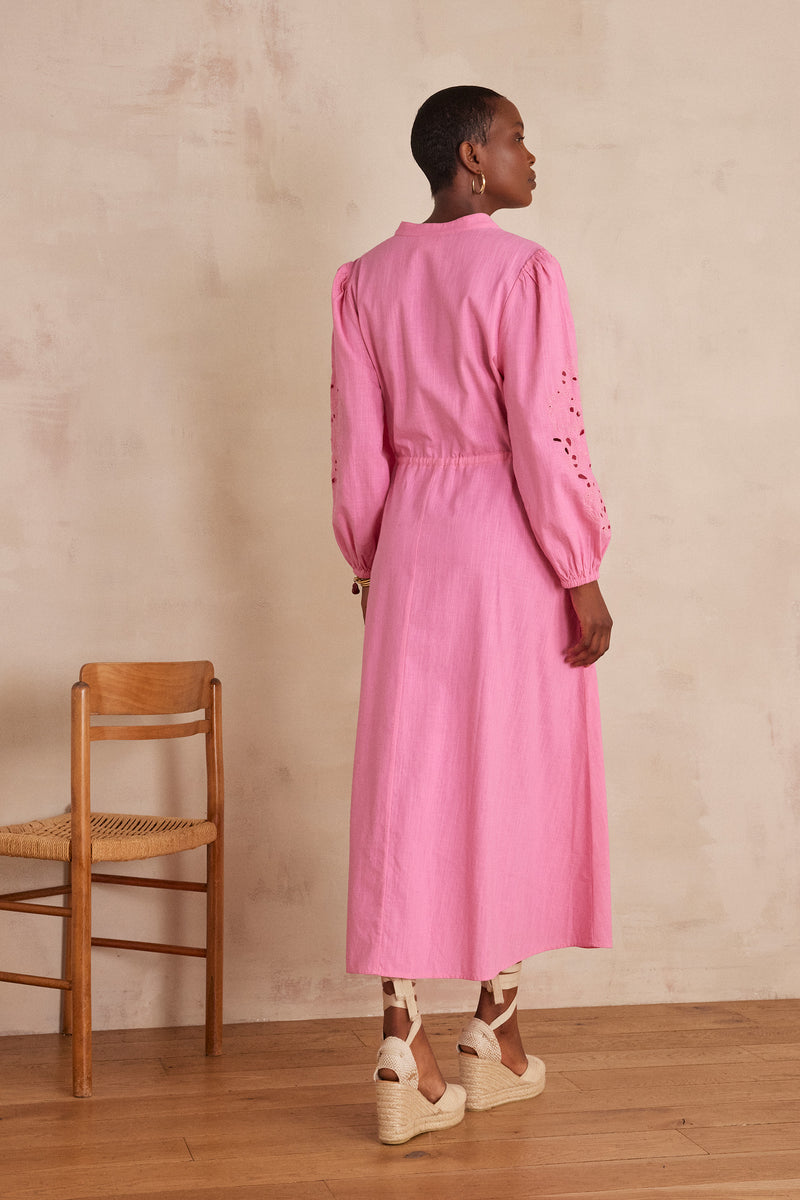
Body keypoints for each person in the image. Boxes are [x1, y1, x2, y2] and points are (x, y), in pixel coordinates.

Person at [330, 85, 613, 1145]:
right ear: (470, 156)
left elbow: (357, 450)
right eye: (515, 139)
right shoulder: (521, 270)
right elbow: (542, 432)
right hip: (506, 544)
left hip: (412, 545)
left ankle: (405, 1041)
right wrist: (580, 569)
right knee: (513, 771)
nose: (530, 156)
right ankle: (492, 1029)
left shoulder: (363, 280)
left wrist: (374, 561)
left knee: (407, 779)